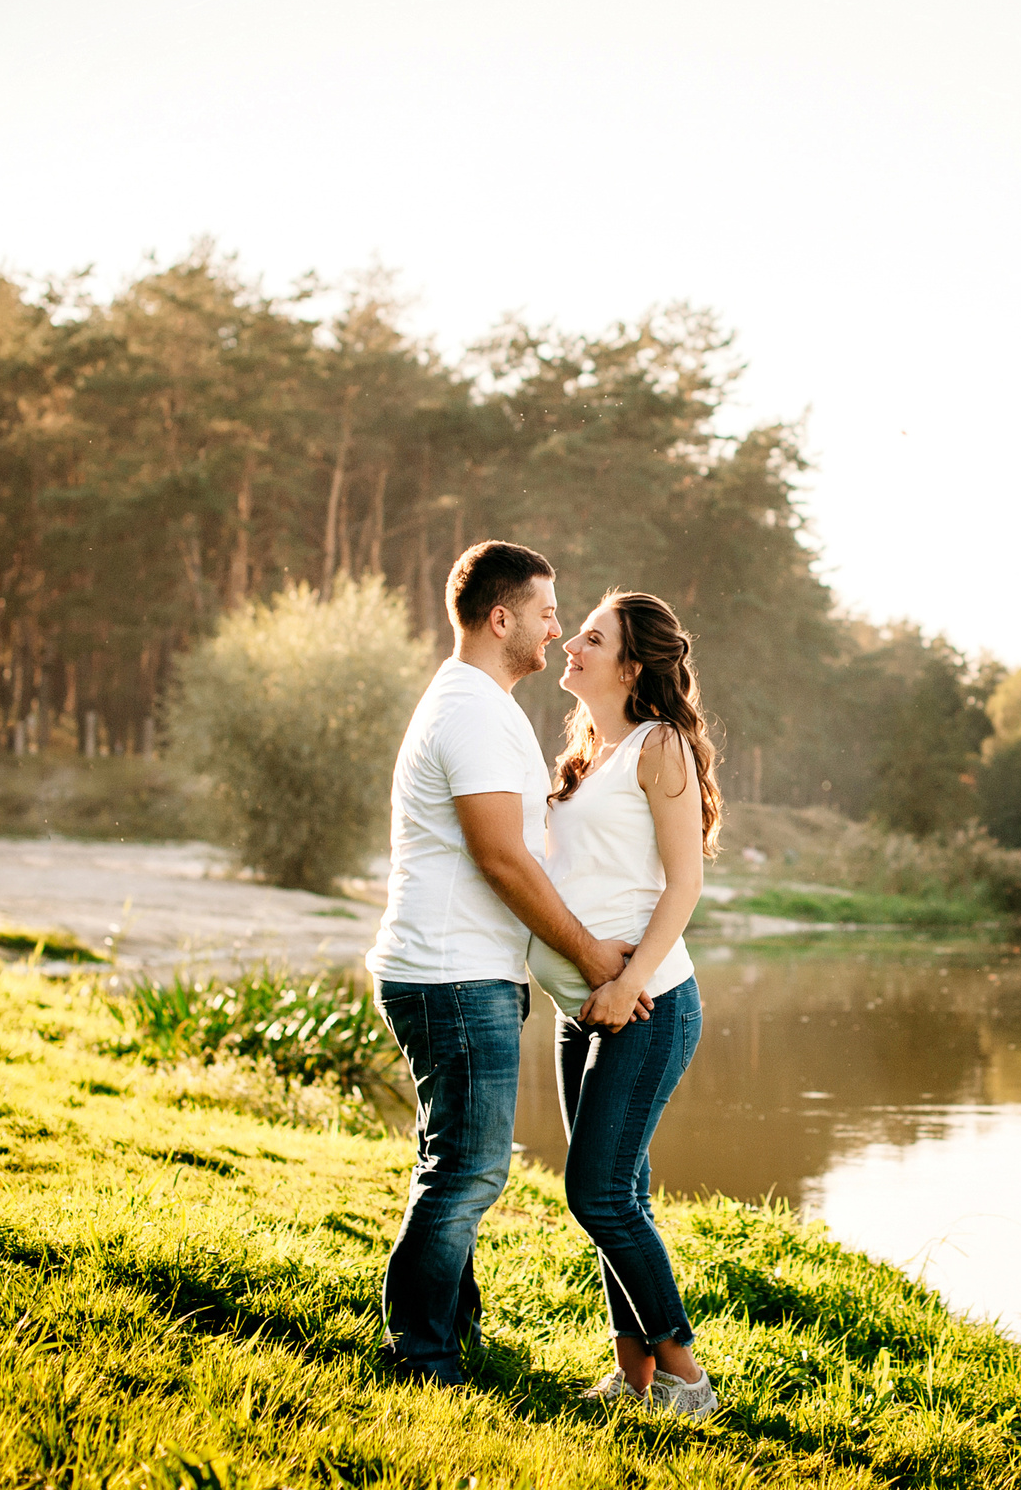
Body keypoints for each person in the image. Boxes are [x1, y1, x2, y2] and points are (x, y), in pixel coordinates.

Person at [365, 540, 649, 1387]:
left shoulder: (477, 703)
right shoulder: (474, 713)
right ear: (501, 618)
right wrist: (595, 953)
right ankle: (421, 1358)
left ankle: (452, 1327)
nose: (558, 628)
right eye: (547, 611)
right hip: (452, 975)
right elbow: (502, 859)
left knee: (451, 1158)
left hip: (454, 969)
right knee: (467, 1169)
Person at [538, 590, 719, 1415]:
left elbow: (685, 884)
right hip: (585, 1009)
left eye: (591, 636)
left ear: (631, 664)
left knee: (600, 1193)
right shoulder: (585, 754)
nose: (569, 642)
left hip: (648, 1004)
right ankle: (636, 1376)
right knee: (620, 1193)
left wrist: (625, 982)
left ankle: (685, 1376)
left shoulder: (661, 745)